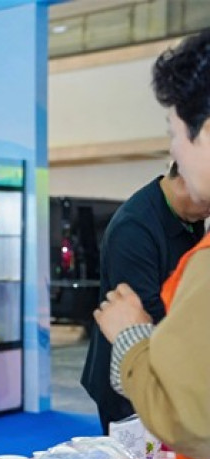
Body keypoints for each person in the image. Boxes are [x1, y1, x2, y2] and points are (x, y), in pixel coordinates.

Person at [94, 29, 210, 459]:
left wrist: (133, 335)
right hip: (124, 385)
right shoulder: (135, 226)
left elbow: (187, 414)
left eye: (174, 132)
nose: (174, 151)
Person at [80, 161, 208, 434]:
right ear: (186, 180)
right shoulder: (133, 228)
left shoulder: (190, 216)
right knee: (135, 456)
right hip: (127, 372)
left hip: (166, 365)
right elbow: (144, 312)